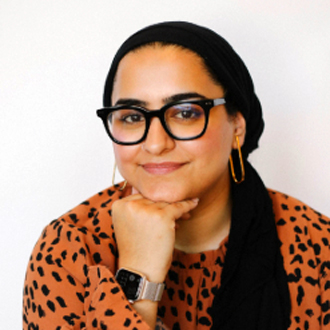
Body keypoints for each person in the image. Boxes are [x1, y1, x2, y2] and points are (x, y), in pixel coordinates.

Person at [23, 21, 330, 330]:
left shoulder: (319, 246)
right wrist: (138, 279)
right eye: (132, 116)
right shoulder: (70, 248)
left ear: (237, 124)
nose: (155, 144)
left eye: (185, 113)